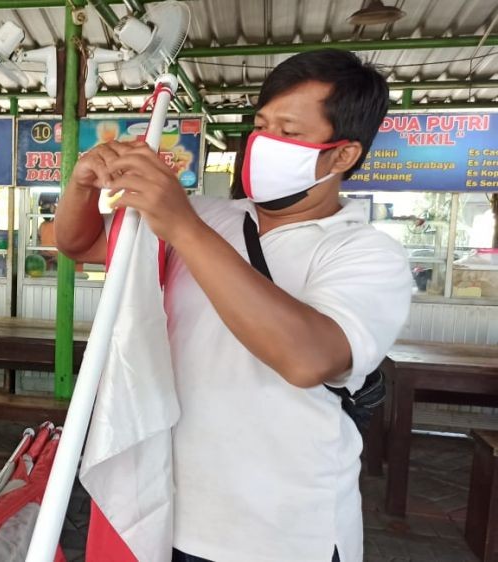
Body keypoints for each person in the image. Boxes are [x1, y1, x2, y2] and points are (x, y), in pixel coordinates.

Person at [55, 49, 412, 562]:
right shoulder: (209, 216)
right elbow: (80, 243)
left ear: (342, 156)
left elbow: (309, 358)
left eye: (289, 132)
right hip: (168, 516)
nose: (265, 143)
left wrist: (181, 224)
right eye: (261, 125)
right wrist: (82, 185)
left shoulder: (365, 253)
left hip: (282, 534)